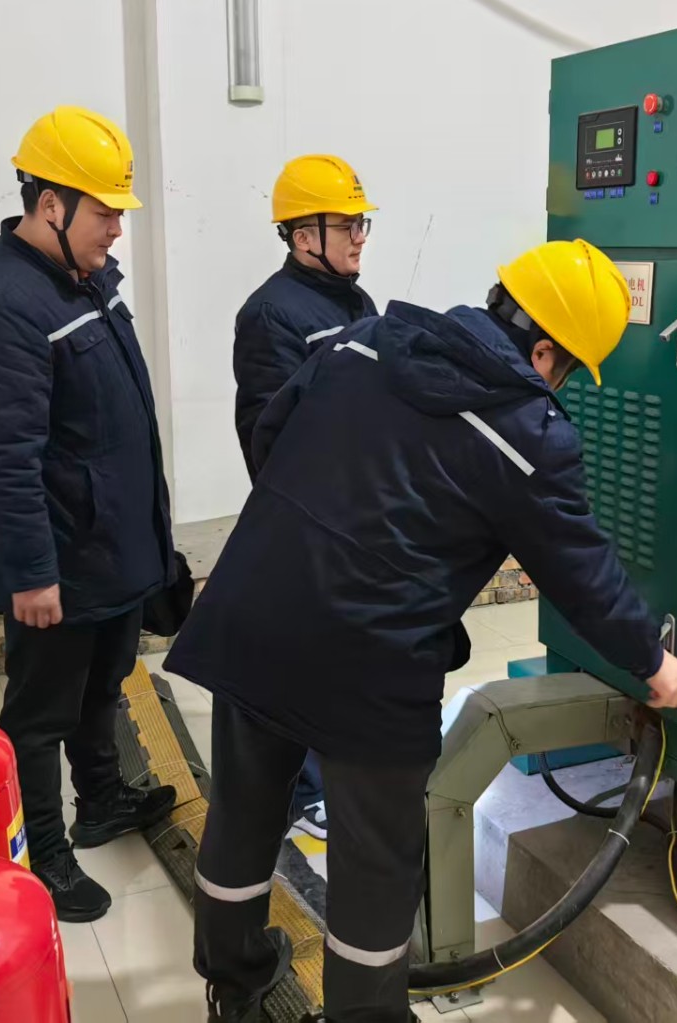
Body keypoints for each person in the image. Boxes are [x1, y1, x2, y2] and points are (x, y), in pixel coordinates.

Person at [167, 238, 677, 1023]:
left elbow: (273, 433)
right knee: (375, 866)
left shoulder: (364, 342)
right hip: (371, 666)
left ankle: (233, 983)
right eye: (564, 372)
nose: (558, 389)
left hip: (258, 611)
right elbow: (579, 570)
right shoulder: (528, 434)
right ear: (543, 351)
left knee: (242, 812)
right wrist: (652, 662)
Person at [0, 105, 182, 923]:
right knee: (40, 711)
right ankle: (42, 853)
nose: (116, 228)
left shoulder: (80, 280)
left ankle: (103, 800)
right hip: (60, 558)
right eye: (105, 211)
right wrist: (29, 572)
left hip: (108, 545)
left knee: (104, 684)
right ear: (50, 203)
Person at [231, 154, 380, 841]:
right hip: (311, 515)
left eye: (361, 223)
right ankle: (305, 791)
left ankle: (336, 771)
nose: (359, 237)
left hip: (357, 510)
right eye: (346, 225)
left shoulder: (356, 301)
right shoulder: (271, 313)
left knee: (344, 655)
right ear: (302, 235)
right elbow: (268, 430)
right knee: (308, 659)